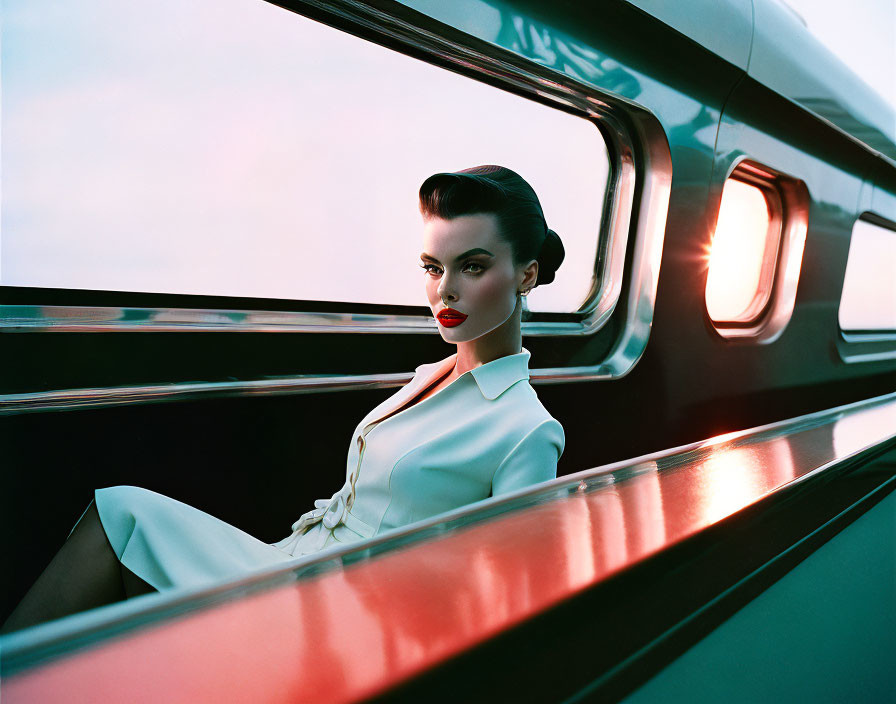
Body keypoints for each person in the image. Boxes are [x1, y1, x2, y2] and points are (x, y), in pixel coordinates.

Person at [1, 165, 566, 633]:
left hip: (351, 617)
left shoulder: (526, 429)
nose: (445, 289)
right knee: (119, 515)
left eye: (473, 266)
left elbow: (511, 603)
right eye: (432, 267)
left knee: (120, 515)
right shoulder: (430, 375)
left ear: (526, 275)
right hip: (295, 565)